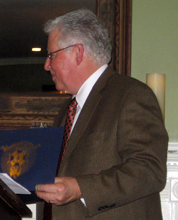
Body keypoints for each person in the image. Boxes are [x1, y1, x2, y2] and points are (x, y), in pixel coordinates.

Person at [35, 9, 168, 220]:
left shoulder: (131, 95)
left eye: (52, 55)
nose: (46, 65)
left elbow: (149, 170)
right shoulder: (66, 111)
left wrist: (81, 188)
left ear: (77, 52)